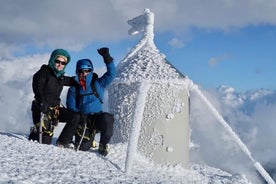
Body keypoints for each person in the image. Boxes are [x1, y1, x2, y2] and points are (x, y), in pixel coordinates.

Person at [57, 47, 116, 156]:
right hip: (84, 120)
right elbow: (71, 106)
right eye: (81, 71)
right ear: (77, 72)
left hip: (97, 117)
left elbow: (112, 74)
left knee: (108, 119)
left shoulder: (98, 83)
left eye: (87, 71)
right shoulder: (74, 88)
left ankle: (103, 144)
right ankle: (89, 137)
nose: (84, 74)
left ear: (91, 70)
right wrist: (81, 116)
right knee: (83, 148)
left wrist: (107, 58)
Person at [29, 49, 80, 146]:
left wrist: (86, 78)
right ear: (53, 60)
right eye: (58, 61)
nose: (60, 64)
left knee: (75, 117)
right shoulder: (43, 72)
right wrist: (41, 102)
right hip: (41, 108)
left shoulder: (60, 77)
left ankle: (62, 142)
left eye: (63, 63)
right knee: (45, 140)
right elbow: (37, 87)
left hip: (55, 110)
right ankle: (35, 133)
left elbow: (71, 81)